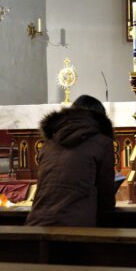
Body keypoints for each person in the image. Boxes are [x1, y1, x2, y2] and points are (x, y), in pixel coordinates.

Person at [26, 95, 115, 226]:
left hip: (36, 223)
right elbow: (105, 198)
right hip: (75, 226)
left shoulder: (49, 143)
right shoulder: (102, 143)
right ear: (101, 119)